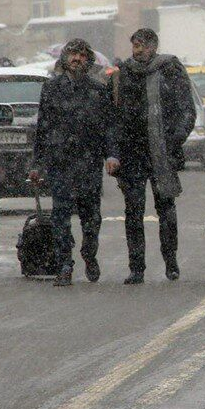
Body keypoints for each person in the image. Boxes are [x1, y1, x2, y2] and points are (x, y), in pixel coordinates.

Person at [29, 39, 119, 286]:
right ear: (65, 59)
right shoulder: (51, 88)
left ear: (88, 60)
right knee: (61, 216)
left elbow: (109, 126)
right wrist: (37, 163)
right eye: (72, 54)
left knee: (91, 217)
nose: (77, 59)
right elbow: (43, 127)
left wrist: (112, 155)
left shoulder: (98, 90)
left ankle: (89, 254)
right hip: (60, 163)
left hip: (89, 162)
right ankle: (64, 265)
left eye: (81, 55)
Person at [112, 28, 196, 284]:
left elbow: (187, 111)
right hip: (132, 154)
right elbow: (115, 115)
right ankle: (136, 268)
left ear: (154, 46)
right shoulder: (124, 72)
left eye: (142, 46)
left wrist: (173, 140)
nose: (137, 51)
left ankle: (171, 263)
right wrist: (116, 149)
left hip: (162, 152)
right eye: (134, 46)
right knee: (133, 212)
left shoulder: (170, 68)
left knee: (166, 211)